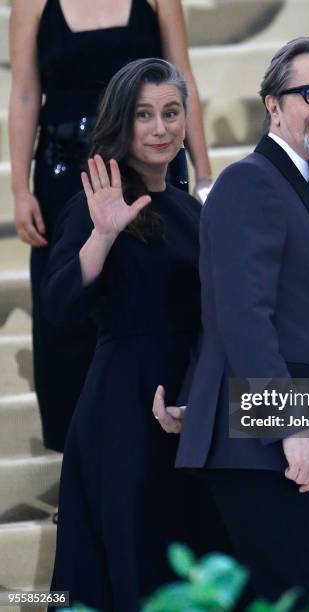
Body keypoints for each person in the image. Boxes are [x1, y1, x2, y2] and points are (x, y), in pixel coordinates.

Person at [154, 36, 309, 609]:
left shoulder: (298, 187)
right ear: (273, 104)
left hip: (271, 433)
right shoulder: (251, 182)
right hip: (266, 441)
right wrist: (292, 428)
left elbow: (225, 309)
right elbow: (243, 314)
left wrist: (202, 392)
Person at [42, 58, 229, 612]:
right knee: (127, 566)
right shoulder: (96, 205)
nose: (160, 128)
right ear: (122, 123)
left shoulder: (196, 214)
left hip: (190, 411)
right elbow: (58, 307)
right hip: (121, 413)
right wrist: (102, 235)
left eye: (172, 113)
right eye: (144, 114)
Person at [8, 0, 213, 459]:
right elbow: (24, 92)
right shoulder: (31, 4)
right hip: (65, 171)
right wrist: (20, 188)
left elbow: (183, 77)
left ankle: (169, 440)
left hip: (154, 161)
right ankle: (78, 463)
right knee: (69, 309)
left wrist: (204, 173)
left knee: (161, 298)